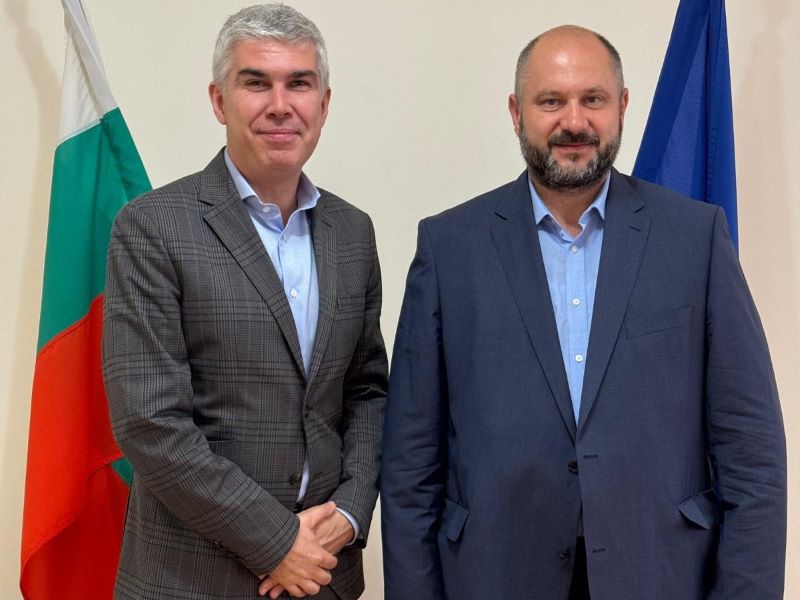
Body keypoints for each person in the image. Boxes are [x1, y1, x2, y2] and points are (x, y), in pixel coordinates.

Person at [380, 25, 786, 600]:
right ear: (516, 113)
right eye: (551, 101)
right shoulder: (449, 247)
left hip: (660, 574)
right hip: (495, 575)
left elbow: (752, 456)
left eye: (592, 99)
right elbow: (409, 467)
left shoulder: (695, 239)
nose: (574, 122)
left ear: (622, 106)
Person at [102, 5, 387, 599]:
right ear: (219, 100)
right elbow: (150, 423)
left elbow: (366, 391)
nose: (280, 105)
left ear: (324, 103)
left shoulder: (352, 232)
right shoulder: (153, 227)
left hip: (325, 573)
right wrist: (277, 542)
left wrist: (351, 511)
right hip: (192, 580)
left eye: (299, 84)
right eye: (256, 82)